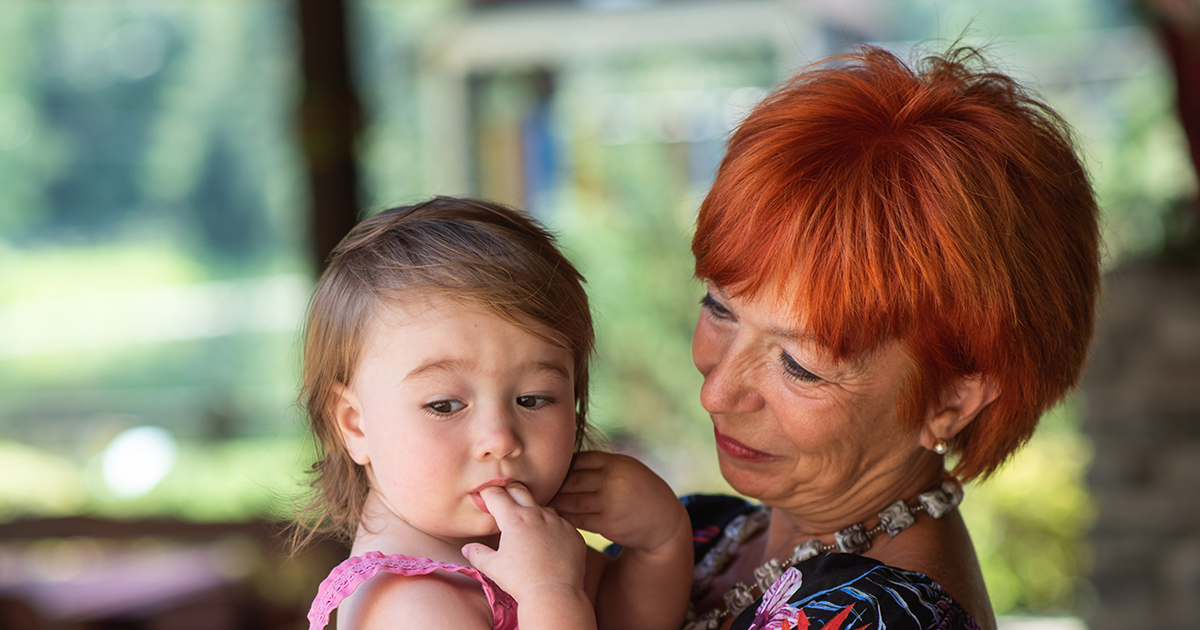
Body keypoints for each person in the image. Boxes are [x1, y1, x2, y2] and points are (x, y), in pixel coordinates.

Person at [681, 45, 1100, 630]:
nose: (718, 392)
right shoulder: (697, 536)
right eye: (719, 308)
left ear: (950, 399)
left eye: (799, 364)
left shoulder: (884, 618)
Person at [295, 197, 693, 630]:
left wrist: (662, 541)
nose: (501, 438)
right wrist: (550, 594)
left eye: (533, 399)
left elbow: (627, 620)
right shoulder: (408, 606)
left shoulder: (525, 545)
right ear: (356, 424)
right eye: (444, 406)